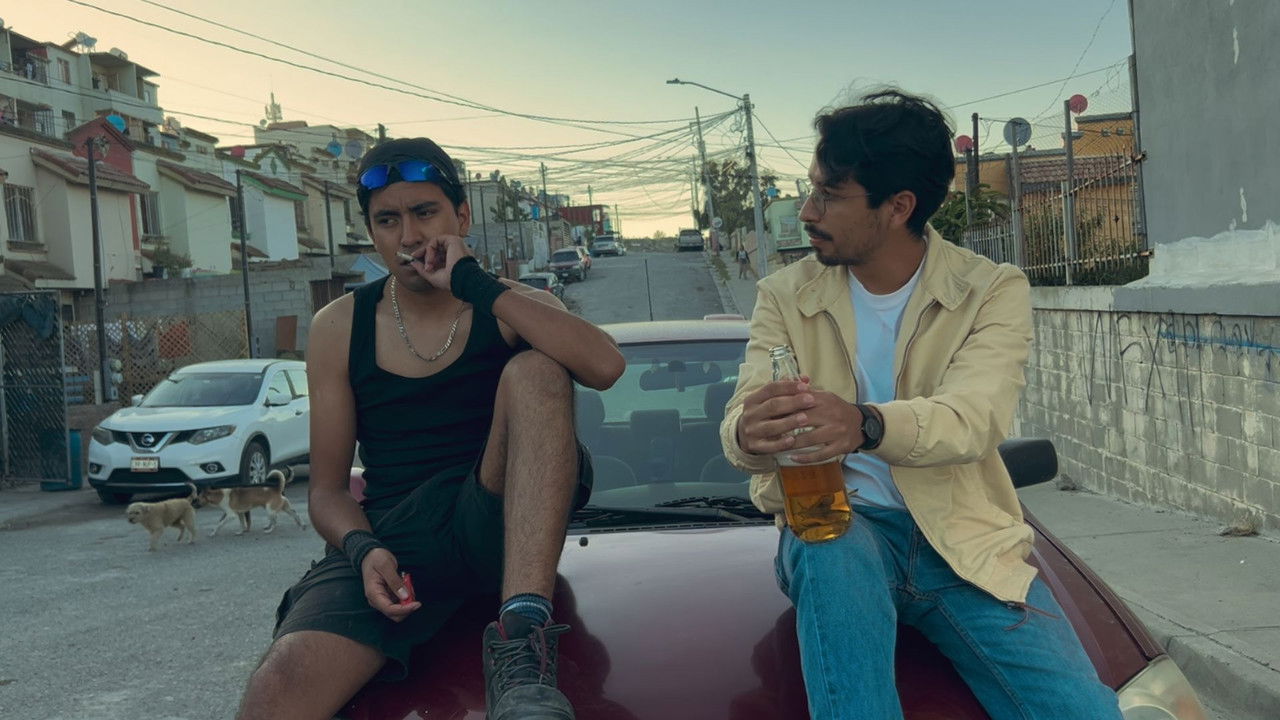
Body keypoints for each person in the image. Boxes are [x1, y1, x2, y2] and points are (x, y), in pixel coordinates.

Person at [718, 90, 1123, 720]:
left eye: (829, 194)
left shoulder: (988, 290)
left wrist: (864, 423)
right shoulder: (784, 295)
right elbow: (742, 417)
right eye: (811, 189)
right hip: (838, 523)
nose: (807, 211)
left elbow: (975, 418)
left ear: (898, 206)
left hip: (963, 541)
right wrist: (749, 432)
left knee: (1083, 710)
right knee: (829, 548)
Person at [237, 137, 625, 720]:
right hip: (398, 539)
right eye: (388, 220)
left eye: (425, 213)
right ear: (372, 232)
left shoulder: (509, 305)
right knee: (278, 686)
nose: (410, 236)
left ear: (462, 217)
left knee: (538, 370)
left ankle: (522, 639)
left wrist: (471, 282)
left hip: (495, 518)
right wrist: (364, 548)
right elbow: (327, 492)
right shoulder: (339, 327)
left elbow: (605, 366)